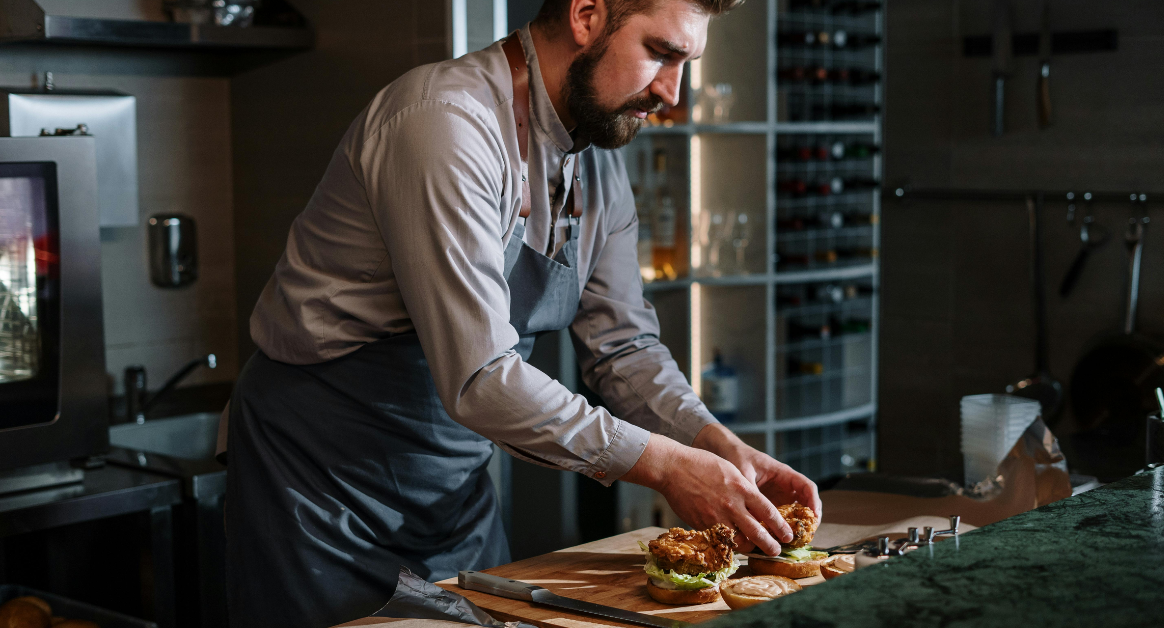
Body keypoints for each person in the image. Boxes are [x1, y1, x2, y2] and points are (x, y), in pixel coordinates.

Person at [221, 0, 822, 625]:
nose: (671, 93)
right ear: (587, 16)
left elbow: (624, 348)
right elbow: (480, 376)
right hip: (320, 490)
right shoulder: (444, 123)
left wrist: (713, 444)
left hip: (452, 489)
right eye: (660, 54)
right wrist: (668, 468)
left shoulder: (599, 165)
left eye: (685, 63)